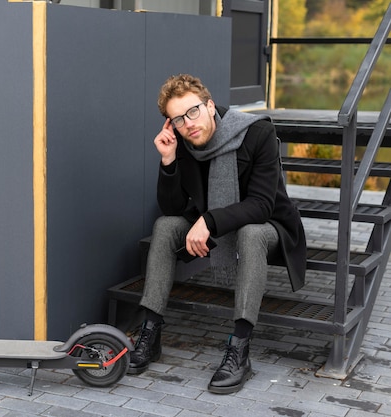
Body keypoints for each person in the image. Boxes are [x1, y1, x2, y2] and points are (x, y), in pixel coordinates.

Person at [129, 74, 307, 394]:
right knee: (165, 227)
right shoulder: (184, 143)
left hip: (269, 225)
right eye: (178, 119)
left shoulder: (258, 132)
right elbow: (172, 207)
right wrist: (168, 162)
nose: (188, 123)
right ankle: (151, 332)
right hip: (214, 222)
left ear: (210, 106)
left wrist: (210, 221)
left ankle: (239, 349)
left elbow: (262, 205)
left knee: (251, 234)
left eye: (193, 111)